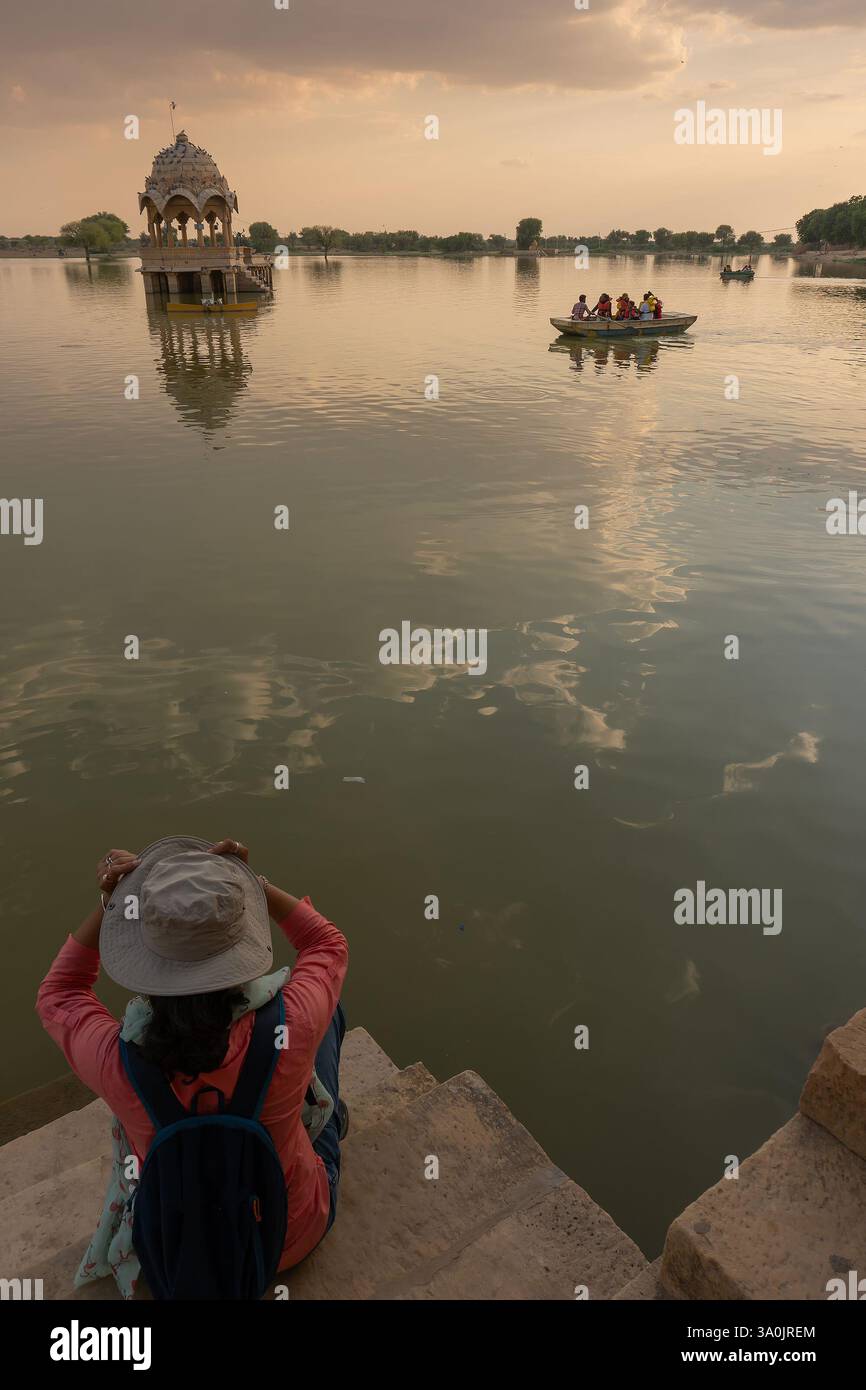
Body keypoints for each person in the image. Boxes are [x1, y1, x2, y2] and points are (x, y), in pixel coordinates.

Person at [36, 835, 349, 1299]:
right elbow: (327, 945)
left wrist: (111, 903)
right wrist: (256, 887)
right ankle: (334, 1118)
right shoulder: (292, 1025)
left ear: (146, 960)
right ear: (240, 946)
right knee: (328, 1022)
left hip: (178, 1253)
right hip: (288, 1237)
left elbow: (59, 994)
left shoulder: (119, 1063)